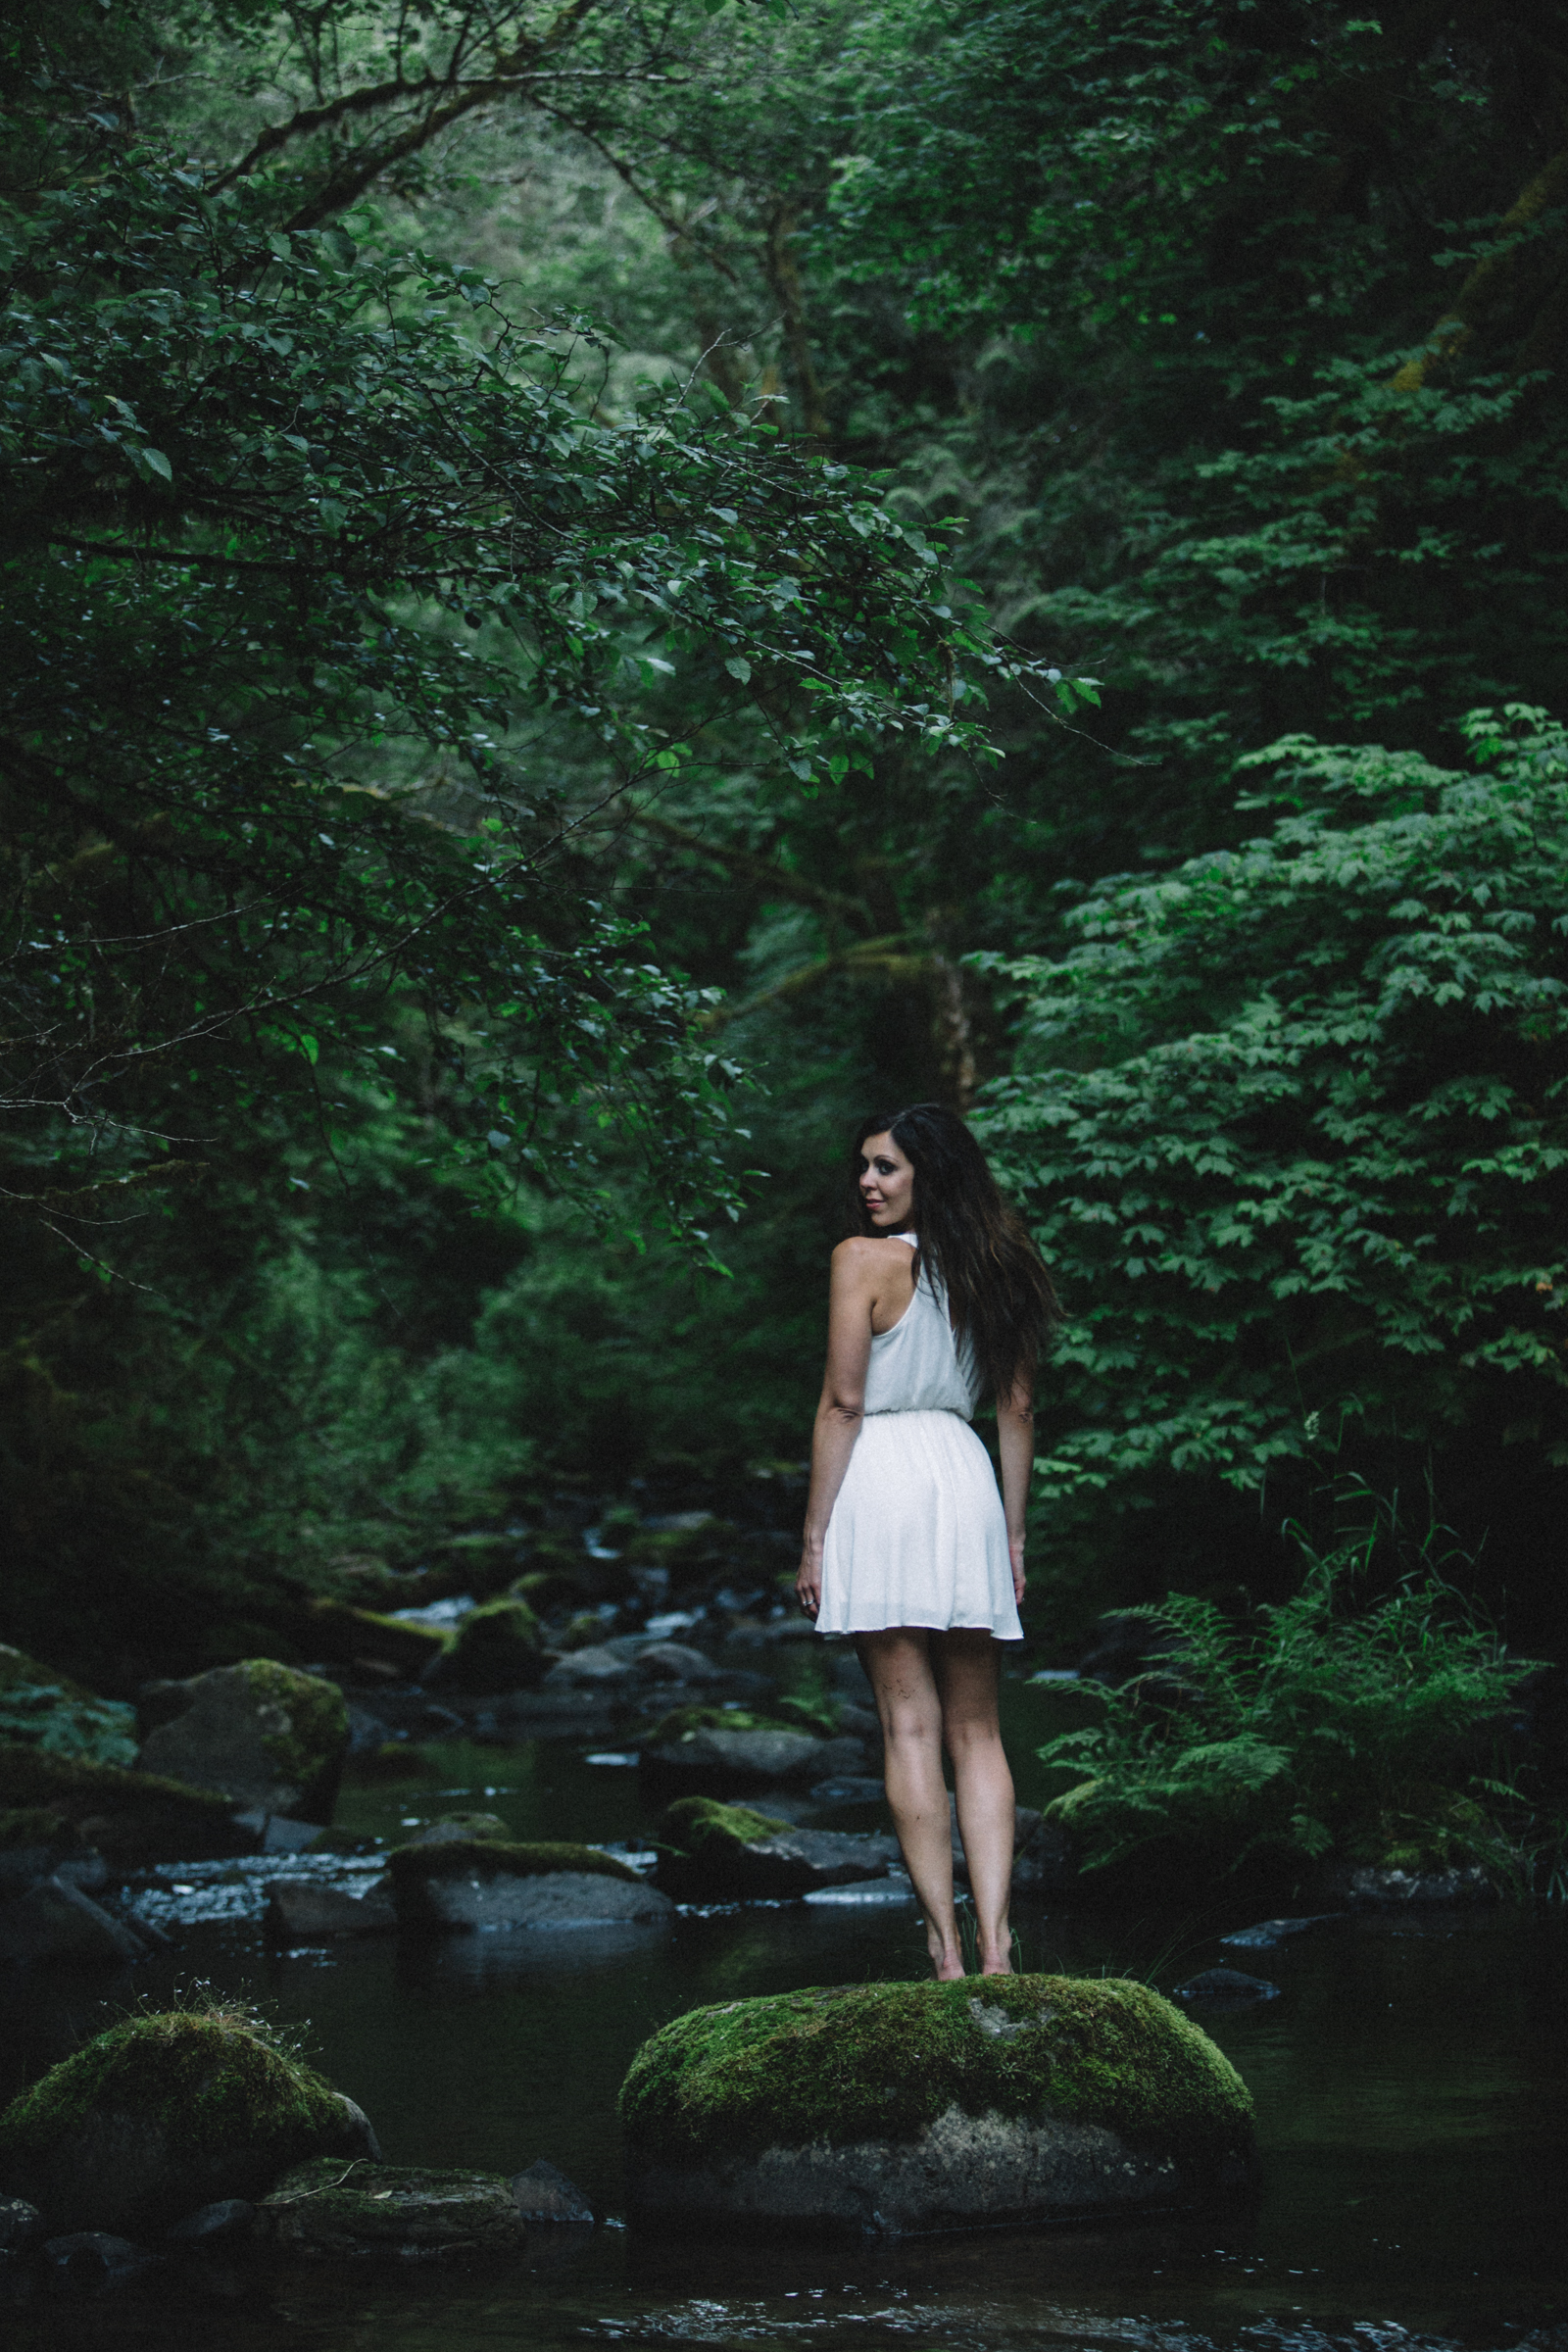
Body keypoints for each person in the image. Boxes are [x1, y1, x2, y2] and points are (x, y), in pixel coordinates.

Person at [795, 1103, 1058, 1981]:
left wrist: (814, 1536)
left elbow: (843, 1404)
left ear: (927, 1175)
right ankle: (998, 1947)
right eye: (864, 1167)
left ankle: (944, 1950)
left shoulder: (859, 1263)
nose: (865, 1184)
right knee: (980, 1733)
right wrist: (1014, 1536)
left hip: (882, 1479)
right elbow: (1015, 1409)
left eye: (885, 1169)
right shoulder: (1004, 1263)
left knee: (911, 1727)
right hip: (963, 1472)